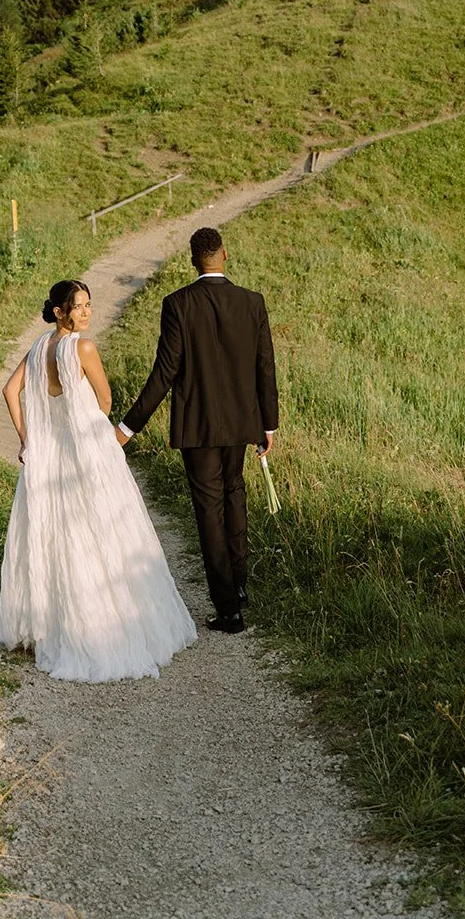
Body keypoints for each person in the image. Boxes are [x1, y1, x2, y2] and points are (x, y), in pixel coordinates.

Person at [0, 279, 196, 681]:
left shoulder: (38, 348)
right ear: (59, 312)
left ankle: (55, 625)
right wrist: (89, 426)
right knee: (106, 531)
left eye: (89, 305)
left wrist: (27, 438)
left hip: (49, 454)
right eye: (79, 307)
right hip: (87, 448)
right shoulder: (82, 348)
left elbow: (9, 390)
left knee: (58, 536)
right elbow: (104, 401)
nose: (87, 313)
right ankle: (107, 627)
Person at [116, 228, 278, 634]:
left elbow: (165, 372)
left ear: (193, 260)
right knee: (234, 494)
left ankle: (228, 609)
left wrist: (127, 426)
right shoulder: (252, 302)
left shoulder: (178, 304)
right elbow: (265, 367)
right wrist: (268, 424)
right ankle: (237, 585)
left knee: (209, 510)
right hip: (243, 424)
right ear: (225, 254)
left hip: (198, 427)